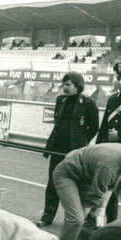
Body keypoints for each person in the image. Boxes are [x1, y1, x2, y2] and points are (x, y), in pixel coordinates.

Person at [36, 73, 100, 227]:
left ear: (77, 85)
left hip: (74, 151)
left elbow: (94, 127)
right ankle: (47, 216)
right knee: (53, 181)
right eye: (63, 84)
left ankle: (70, 218)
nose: (64, 87)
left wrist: (82, 142)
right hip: (57, 148)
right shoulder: (61, 100)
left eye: (68, 85)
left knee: (74, 184)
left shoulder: (89, 103)